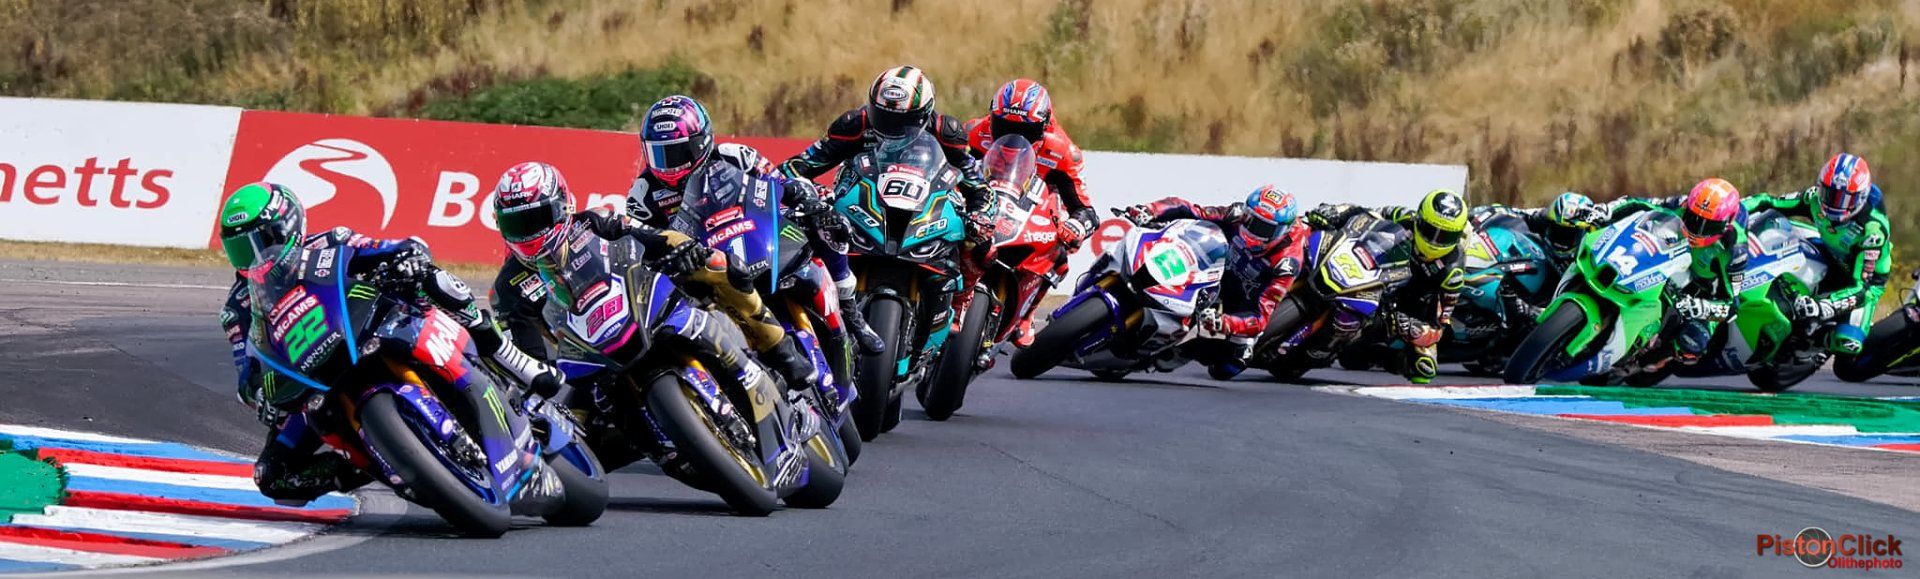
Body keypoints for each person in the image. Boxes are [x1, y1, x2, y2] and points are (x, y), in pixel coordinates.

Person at [217, 182, 563, 504]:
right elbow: (247, 370)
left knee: (435, 283)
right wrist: (258, 396)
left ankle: (506, 359)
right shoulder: (237, 306)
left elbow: (392, 247)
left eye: (264, 241)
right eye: (240, 249)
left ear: (289, 227)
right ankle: (378, 463)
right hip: (313, 380)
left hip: (374, 328)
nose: (257, 257)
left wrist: (407, 258)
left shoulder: (330, 243)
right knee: (272, 476)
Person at [494, 95, 884, 356]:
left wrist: (803, 196)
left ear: (702, 143)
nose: (668, 163)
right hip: (699, 259)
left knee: (828, 224)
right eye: (658, 153)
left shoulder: (734, 155)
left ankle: (851, 312)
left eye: (677, 152)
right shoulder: (644, 191)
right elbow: (639, 240)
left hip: (757, 235)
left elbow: (776, 184)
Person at [489, 161, 820, 392]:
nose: (529, 233)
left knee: (721, 265)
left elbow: (649, 234)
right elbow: (522, 356)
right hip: (583, 360)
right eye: (517, 225)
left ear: (562, 206)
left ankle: (780, 349)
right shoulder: (506, 289)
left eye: (537, 218)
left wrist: (692, 250)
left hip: (638, 306)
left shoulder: (593, 222)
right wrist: (539, 379)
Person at [774, 65, 994, 236]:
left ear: (924, 114)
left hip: (925, 216)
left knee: (978, 244)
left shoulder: (946, 132)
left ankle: (965, 294)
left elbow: (979, 188)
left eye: (902, 121)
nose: (890, 127)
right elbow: (793, 168)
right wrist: (816, 195)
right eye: (882, 117)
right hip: (857, 211)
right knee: (803, 230)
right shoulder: (855, 124)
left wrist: (979, 216)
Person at [1121, 185, 1309, 379]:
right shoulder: (1236, 214)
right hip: (1212, 270)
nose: (1250, 229)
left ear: (1282, 232)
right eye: (1249, 219)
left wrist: (1225, 323)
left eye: (1262, 228)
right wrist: (1151, 210)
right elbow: (1191, 210)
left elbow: (1260, 318)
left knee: (1231, 364)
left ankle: (1185, 350)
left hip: (1244, 299)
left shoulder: (1286, 264)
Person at [966, 79, 1099, 346]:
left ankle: (1027, 314)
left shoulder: (1063, 151)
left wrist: (1077, 225)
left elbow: (1084, 209)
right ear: (992, 118)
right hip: (982, 198)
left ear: (1043, 125)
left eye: (1025, 130)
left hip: (1030, 206)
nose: (1013, 135)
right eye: (1003, 125)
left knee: (1060, 253)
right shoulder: (974, 132)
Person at [1305, 189, 1470, 384]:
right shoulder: (1404, 217)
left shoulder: (1452, 273)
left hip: (1403, 309)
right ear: (1419, 219)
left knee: (1424, 369)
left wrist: (1414, 328)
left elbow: (1440, 326)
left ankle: (1367, 353)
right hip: (1372, 272)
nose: (1434, 241)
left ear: (1457, 236)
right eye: (1429, 230)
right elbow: (1363, 215)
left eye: (1444, 237)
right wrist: (1336, 212)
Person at [1742, 153, 1892, 355]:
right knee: (1773, 229)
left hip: (1860, 282)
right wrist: (1733, 209)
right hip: (1827, 251)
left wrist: (1823, 307)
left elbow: (1861, 290)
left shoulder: (1872, 231)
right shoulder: (1814, 198)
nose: (1833, 203)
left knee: (1848, 344)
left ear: (1860, 197)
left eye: (1844, 198)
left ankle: (1819, 343)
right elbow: (1769, 201)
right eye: (1829, 193)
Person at [1608, 178, 1749, 363]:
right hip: (1671, 264)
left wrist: (1703, 308)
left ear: (1725, 225)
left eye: (1708, 226)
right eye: (1693, 218)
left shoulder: (1735, 251)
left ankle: (1655, 360)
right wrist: (1607, 210)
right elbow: (1640, 204)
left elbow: (1732, 307)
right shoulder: (1682, 204)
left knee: (1692, 343)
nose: (1696, 230)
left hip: (1703, 292)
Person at [1474, 191, 1609, 323]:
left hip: (1541, 318)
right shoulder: (1542, 219)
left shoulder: (1585, 262)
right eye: (1557, 231)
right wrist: (1474, 217)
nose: (1560, 240)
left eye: (1568, 235)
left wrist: (1527, 311)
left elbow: (1564, 313)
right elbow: (1503, 211)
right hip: (1519, 265)